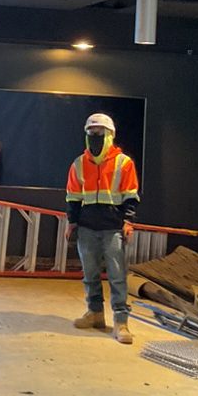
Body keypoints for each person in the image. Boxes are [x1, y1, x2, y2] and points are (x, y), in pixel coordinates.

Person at [65, 112, 140, 344]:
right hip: (87, 227)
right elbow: (73, 197)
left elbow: (131, 195)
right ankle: (95, 313)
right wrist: (72, 222)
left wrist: (128, 222)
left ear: (110, 135)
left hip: (113, 228)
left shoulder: (124, 163)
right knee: (90, 274)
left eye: (100, 133)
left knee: (117, 276)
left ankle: (121, 322)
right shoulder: (78, 163)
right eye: (91, 133)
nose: (95, 136)